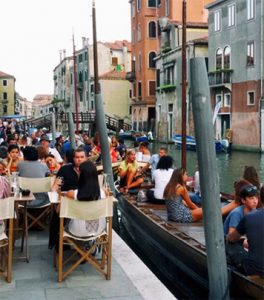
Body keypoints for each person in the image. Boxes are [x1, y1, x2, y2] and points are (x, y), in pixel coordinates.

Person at [164, 168, 238, 223]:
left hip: (172, 216)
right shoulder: (181, 188)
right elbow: (190, 204)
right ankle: (235, 203)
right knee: (210, 210)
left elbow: (177, 202)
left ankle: (233, 204)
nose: (187, 176)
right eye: (185, 174)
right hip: (181, 216)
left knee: (206, 211)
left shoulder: (170, 186)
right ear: (181, 176)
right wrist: (200, 211)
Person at [65, 161, 106, 238]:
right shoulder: (104, 192)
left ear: (81, 175)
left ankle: (79, 247)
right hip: (99, 229)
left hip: (77, 231)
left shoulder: (72, 194)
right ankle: (90, 246)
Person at [224, 184, 259, 268]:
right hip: (229, 243)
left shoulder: (255, 212)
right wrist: (247, 241)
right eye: (251, 198)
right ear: (243, 200)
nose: (255, 201)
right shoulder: (237, 213)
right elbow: (231, 235)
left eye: (256, 198)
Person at [227, 207, 264, 276]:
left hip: (255, 270)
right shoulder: (239, 213)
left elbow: (231, 239)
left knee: (227, 241)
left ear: (259, 199)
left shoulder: (250, 216)